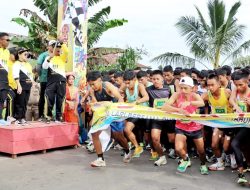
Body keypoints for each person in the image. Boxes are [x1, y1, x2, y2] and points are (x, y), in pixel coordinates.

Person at [162, 76, 208, 175]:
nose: (182, 90)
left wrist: (189, 102)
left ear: (192, 88)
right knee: (178, 148)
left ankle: (203, 164)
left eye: (185, 88)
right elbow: (164, 106)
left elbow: (202, 103)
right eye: (181, 87)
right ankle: (186, 159)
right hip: (181, 127)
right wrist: (178, 110)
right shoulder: (176, 95)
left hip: (195, 127)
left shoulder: (195, 96)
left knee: (201, 151)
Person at [87, 71, 131, 167]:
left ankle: (127, 150)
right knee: (94, 133)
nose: (92, 87)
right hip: (103, 114)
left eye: (93, 84)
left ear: (99, 80)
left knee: (118, 136)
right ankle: (100, 159)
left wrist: (117, 110)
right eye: (90, 85)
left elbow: (120, 99)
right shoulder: (91, 90)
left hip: (114, 113)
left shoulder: (107, 86)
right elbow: (95, 105)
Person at [202, 73, 233, 171]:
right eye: (208, 85)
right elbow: (197, 101)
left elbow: (236, 103)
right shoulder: (207, 94)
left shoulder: (227, 92)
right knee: (214, 144)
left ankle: (231, 158)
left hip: (229, 123)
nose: (210, 87)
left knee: (226, 145)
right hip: (218, 123)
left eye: (212, 85)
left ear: (219, 84)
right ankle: (220, 163)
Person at [146, 70, 175, 166]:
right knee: (154, 138)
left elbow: (173, 102)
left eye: (157, 79)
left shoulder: (168, 89)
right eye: (153, 79)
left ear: (162, 79)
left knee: (172, 139)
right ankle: (162, 157)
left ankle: (178, 152)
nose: (155, 81)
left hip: (168, 118)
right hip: (156, 118)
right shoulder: (148, 90)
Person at [229, 69, 250, 184]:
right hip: (242, 125)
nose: (238, 87)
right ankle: (241, 173)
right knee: (235, 144)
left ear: (247, 82)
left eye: (241, 84)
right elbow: (231, 100)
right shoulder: (236, 90)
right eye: (236, 85)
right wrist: (236, 106)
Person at [123, 70, 149, 158]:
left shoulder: (139, 86)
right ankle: (137, 147)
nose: (127, 85)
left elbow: (146, 97)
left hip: (142, 112)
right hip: (133, 113)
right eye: (125, 83)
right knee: (126, 129)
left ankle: (152, 149)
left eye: (128, 83)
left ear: (134, 79)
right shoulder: (125, 88)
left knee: (148, 136)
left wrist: (136, 102)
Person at [42, 40, 68, 123]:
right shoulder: (48, 57)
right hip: (51, 82)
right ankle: (48, 116)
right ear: (52, 48)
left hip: (61, 81)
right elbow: (44, 67)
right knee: (49, 99)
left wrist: (62, 43)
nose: (58, 48)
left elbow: (66, 51)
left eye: (59, 47)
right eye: (56, 47)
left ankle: (59, 117)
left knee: (61, 100)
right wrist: (50, 57)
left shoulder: (62, 57)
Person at [13, 47, 33, 125]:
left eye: (27, 53)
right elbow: (15, 75)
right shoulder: (17, 63)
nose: (26, 54)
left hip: (28, 86)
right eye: (24, 53)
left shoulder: (27, 64)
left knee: (25, 103)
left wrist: (33, 82)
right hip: (21, 86)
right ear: (19, 54)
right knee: (19, 103)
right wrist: (19, 85)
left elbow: (30, 75)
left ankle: (23, 118)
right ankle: (18, 119)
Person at [36, 40, 56, 120]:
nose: (54, 47)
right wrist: (41, 76)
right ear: (48, 46)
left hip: (54, 80)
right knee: (43, 97)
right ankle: (41, 115)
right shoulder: (43, 55)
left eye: (55, 45)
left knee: (52, 98)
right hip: (44, 80)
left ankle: (50, 115)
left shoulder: (57, 55)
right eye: (52, 45)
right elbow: (38, 67)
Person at [0, 32, 11, 125]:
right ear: (1, 40)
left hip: (5, 80)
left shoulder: (7, 52)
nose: (8, 42)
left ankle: (0, 119)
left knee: (2, 100)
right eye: (7, 40)